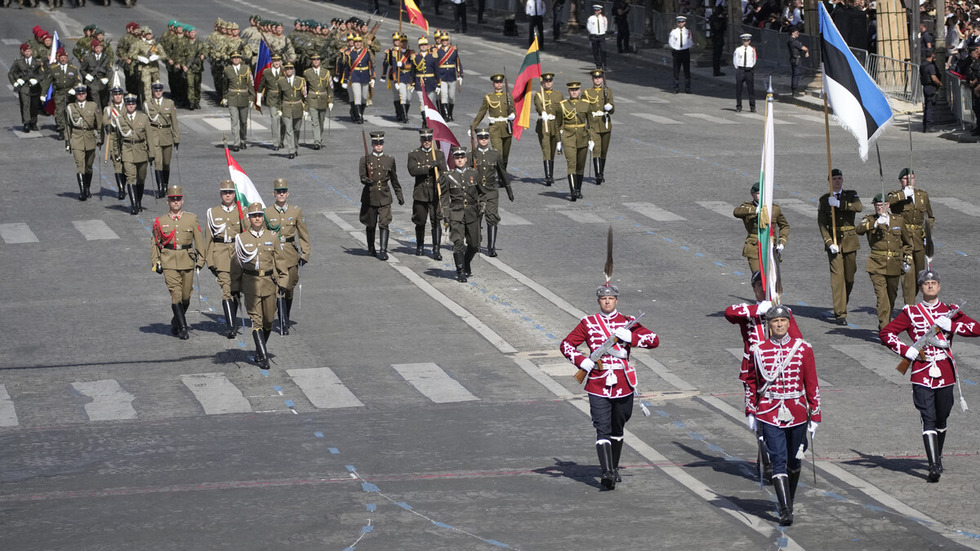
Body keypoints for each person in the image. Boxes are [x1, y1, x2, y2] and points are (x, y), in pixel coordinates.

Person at [880, 269, 980, 483]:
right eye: (926, 283)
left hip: (944, 371)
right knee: (928, 418)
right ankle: (933, 465)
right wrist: (906, 351)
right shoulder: (911, 313)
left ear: (939, 286)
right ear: (920, 288)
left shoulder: (949, 311)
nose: (931, 286)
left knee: (942, 417)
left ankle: (938, 455)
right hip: (921, 371)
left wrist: (952, 325)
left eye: (934, 282)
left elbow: (976, 329)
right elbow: (886, 333)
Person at [560, 283, 659, 490]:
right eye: (604, 299)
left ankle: (613, 468)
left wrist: (632, 337)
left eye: (611, 298)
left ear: (616, 300)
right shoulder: (588, 323)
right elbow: (566, 344)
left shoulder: (628, 322)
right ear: (599, 301)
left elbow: (654, 340)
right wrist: (581, 361)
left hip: (623, 383)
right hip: (597, 382)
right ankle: (606, 472)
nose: (607, 301)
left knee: (618, 427)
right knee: (601, 428)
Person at [743, 305, 821, 526]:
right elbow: (751, 382)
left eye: (783, 321)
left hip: (796, 411)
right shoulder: (757, 350)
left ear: (788, 323)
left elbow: (812, 383)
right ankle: (785, 509)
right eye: (775, 322)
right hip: (769, 411)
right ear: (769, 325)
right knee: (778, 459)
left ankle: (790, 498)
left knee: (794, 460)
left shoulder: (803, 348)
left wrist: (815, 415)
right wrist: (751, 410)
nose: (779, 325)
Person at [725, 271, 803, 481]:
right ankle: (766, 458)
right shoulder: (748, 311)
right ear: (753, 289)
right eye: (758, 285)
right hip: (753, 372)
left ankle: (776, 458)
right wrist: (756, 309)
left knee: (778, 415)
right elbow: (729, 312)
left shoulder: (783, 313)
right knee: (758, 417)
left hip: (778, 372)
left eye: (766, 285)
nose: (762, 289)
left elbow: (798, 341)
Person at [151, 185, 206, 341]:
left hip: (187, 259)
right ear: (168, 201)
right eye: (172, 199)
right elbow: (155, 242)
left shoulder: (191, 219)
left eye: (178, 199)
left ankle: (175, 321)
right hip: (168, 260)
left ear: (182, 200)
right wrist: (156, 261)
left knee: (186, 296)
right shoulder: (161, 221)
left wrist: (201, 259)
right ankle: (183, 328)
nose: (175, 202)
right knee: (176, 294)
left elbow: (198, 240)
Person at [236, 203, 286, 369]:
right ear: (249, 218)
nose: (257, 218)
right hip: (250, 284)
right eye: (253, 215)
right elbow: (235, 266)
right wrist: (234, 288)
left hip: (269, 285)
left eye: (259, 215)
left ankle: (259, 349)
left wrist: (284, 283)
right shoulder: (241, 239)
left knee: (269, 320)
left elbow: (280, 262)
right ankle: (263, 357)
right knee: (256, 321)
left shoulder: (272, 237)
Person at [856, 193, 913, 330]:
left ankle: (886, 321)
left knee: (891, 296)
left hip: (894, 263)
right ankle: (885, 328)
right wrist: (875, 223)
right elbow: (859, 229)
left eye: (882, 205)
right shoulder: (870, 219)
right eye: (877, 206)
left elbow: (908, 242)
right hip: (876, 264)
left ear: (888, 205)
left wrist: (908, 258)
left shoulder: (898, 220)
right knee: (882, 297)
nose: (879, 208)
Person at [264, 179, 310, 335]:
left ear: (288, 193)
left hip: (290, 254)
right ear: (274, 194)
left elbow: (303, 233)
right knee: (279, 289)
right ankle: (283, 322)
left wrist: (305, 253)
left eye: (283, 191)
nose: (281, 194)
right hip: (274, 255)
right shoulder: (267, 212)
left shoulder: (295, 211)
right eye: (278, 191)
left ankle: (286, 316)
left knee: (289, 288)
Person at [818, 168, 863, 325]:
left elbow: (859, 207)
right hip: (835, 242)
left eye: (839, 178)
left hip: (850, 241)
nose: (837, 181)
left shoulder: (851, 195)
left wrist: (840, 204)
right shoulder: (824, 200)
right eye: (834, 178)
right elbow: (822, 223)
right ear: (830, 181)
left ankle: (843, 300)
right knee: (837, 280)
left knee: (849, 278)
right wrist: (829, 243)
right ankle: (840, 314)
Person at [887, 168, 934, 305]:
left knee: (919, 277)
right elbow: (888, 201)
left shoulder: (922, 196)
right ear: (900, 181)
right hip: (903, 241)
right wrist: (903, 194)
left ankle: (911, 301)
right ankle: (910, 307)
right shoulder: (896, 195)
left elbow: (930, 216)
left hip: (919, 241)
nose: (909, 181)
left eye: (911, 178)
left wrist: (927, 232)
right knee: (908, 275)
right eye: (906, 179)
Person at [205, 180, 245, 339]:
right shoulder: (212, 212)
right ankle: (231, 326)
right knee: (226, 291)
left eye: (230, 192)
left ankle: (233, 319)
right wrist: (209, 260)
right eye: (224, 192)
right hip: (220, 254)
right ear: (220, 194)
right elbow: (208, 238)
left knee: (235, 291)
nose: (228, 195)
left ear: (234, 194)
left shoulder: (242, 211)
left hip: (238, 255)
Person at [440, 147, 485, 282]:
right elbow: (444, 197)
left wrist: (482, 205)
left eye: (462, 157)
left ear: (466, 159)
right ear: (454, 160)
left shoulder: (474, 173)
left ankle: (466, 262)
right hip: (456, 213)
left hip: (472, 212)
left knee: (474, 244)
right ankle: (460, 272)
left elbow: (483, 192)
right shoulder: (449, 176)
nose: (460, 160)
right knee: (458, 242)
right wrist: (446, 214)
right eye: (457, 158)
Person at [359, 131, 404, 260]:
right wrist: (366, 180)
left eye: (380, 143)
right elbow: (362, 176)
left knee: (384, 222)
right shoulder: (365, 159)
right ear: (372, 144)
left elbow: (394, 178)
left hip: (384, 196)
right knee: (371, 224)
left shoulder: (389, 160)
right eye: (375, 143)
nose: (378, 146)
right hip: (370, 195)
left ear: (383, 144)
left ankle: (383, 250)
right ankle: (371, 247)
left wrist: (399, 194)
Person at [473, 127, 514, 257]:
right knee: (476, 218)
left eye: (486, 138)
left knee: (492, 217)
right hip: (476, 191)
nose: (483, 140)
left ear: (489, 139)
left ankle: (491, 247)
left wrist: (509, 190)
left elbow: (503, 173)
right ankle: (476, 243)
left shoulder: (495, 154)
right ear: (477, 139)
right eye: (481, 138)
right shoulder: (471, 154)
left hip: (491, 190)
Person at [407, 129, 447, 260]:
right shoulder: (414, 154)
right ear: (421, 140)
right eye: (424, 140)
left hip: (435, 193)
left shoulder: (439, 154)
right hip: (421, 193)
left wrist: (441, 177)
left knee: (436, 221)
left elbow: (445, 172)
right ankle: (420, 246)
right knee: (420, 221)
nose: (427, 142)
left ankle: (436, 249)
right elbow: (412, 170)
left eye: (429, 140)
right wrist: (428, 167)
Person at [733, 182, 790, 273]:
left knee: (773, 281)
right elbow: (736, 212)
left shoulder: (774, 209)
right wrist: (754, 210)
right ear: (753, 194)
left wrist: (782, 241)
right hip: (754, 247)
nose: (762, 195)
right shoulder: (748, 207)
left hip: (771, 246)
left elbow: (784, 226)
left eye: (764, 193)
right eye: (759, 193)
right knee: (758, 278)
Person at [116, 93, 156, 215]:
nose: (131, 106)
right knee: (130, 177)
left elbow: (149, 137)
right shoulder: (120, 119)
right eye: (128, 104)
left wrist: (152, 153)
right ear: (126, 105)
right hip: (127, 150)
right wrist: (116, 153)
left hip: (141, 150)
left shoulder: (143, 118)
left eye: (133, 104)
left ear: (136, 104)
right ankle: (134, 204)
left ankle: (138, 201)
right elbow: (117, 139)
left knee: (141, 178)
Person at [65, 84, 103, 202]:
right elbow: (67, 125)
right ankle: (82, 192)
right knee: (80, 165)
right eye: (79, 94)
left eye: (83, 93)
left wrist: (100, 138)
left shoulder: (93, 106)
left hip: (90, 137)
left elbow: (99, 122)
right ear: (76, 95)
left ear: (86, 94)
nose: (81, 95)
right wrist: (67, 141)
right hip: (77, 138)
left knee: (89, 166)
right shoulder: (71, 108)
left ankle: (87, 188)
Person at [556, 80, 591, 201]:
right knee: (571, 164)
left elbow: (590, 123)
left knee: (580, 166)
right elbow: (558, 124)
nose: (574, 92)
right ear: (568, 91)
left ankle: (578, 189)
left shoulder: (586, 104)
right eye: (572, 90)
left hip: (582, 137)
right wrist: (559, 141)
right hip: (568, 137)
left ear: (579, 91)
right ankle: (573, 191)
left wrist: (591, 139)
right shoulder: (562, 105)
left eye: (576, 90)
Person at [471, 74, 516, 167]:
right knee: (498, 153)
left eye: (500, 82)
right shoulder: (489, 97)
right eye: (497, 82)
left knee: (505, 154)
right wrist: (473, 127)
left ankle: (503, 172)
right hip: (494, 128)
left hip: (507, 128)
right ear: (493, 84)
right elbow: (481, 113)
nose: (499, 84)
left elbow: (513, 110)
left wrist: (513, 115)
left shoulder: (508, 96)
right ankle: (501, 175)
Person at [145, 81, 180, 199]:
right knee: (158, 162)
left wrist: (176, 137)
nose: (158, 92)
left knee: (166, 163)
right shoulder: (147, 104)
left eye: (160, 90)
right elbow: (145, 123)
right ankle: (160, 188)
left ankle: (165, 184)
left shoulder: (169, 103)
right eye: (156, 90)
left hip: (166, 135)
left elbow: (174, 121)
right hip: (154, 135)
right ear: (153, 91)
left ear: (163, 91)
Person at [583, 69, 614, 185]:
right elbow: (583, 110)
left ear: (602, 79)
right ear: (592, 79)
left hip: (605, 124)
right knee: (596, 150)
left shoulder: (608, 91)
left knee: (603, 151)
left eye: (599, 78)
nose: (597, 79)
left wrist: (609, 108)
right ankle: (598, 175)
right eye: (595, 78)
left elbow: (613, 109)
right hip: (593, 125)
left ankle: (602, 171)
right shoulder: (586, 93)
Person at [42, 48, 79, 140]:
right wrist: (43, 94)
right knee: (59, 111)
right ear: (58, 59)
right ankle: (61, 130)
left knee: (70, 111)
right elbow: (47, 82)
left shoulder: (73, 69)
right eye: (61, 58)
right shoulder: (54, 70)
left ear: (67, 58)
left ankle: (71, 129)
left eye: (64, 58)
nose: (63, 59)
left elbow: (77, 81)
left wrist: (74, 89)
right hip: (59, 93)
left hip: (70, 94)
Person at [534, 72, 563, 186]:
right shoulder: (538, 94)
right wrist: (542, 112)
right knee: (546, 150)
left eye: (550, 81)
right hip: (543, 125)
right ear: (542, 82)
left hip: (555, 125)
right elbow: (538, 105)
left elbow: (562, 111)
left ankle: (550, 172)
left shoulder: (558, 95)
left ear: (553, 82)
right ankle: (548, 176)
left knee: (552, 152)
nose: (548, 83)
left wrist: (561, 127)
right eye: (546, 81)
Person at [8, 43, 45, 133]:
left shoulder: (37, 62)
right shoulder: (18, 62)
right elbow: (11, 73)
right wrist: (15, 83)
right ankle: (26, 123)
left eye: (29, 51)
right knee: (25, 105)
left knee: (34, 106)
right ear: (22, 52)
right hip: (24, 87)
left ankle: (33, 122)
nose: (28, 53)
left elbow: (42, 74)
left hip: (35, 87)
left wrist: (36, 80)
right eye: (26, 51)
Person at [223, 51, 254, 152]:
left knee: (243, 122)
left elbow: (250, 84)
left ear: (241, 59)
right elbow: (225, 85)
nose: (236, 59)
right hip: (232, 97)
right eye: (234, 58)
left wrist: (252, 98)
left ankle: (243, 140)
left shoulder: (246, 69)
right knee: (234, 121)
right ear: (231, 59)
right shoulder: (227, 70)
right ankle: (236, 143)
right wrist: (224, 97)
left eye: (238, 58)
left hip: (244, 97)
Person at [276, 63, 306, 160]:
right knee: (288, 129)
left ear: (293, 70)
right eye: (287, 69)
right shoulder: (281, 81)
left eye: (290, 69)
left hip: (297, 106)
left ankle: (295, 147)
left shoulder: (301, 80)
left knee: (296, 129)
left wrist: (306, 109)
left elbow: (305, 95)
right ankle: (291, 150)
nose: (289, 70)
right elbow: (279, 96)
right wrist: (279, 108)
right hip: (286, 106)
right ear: (284, 71)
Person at [303, 53, 333, 150]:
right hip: (312, 98)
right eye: (314, 60)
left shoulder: (326, 72)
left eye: (317, 59)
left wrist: (331, 100)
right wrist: (305, 105)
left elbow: (330, 88)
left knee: (321, 121)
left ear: (320, 61)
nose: (316, 61)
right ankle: (317, 141)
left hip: (323, 99)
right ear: (312, 61)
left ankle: (319, 137)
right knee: (314, 121)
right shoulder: (307, 73)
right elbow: (304, 89)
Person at [103, 87, 128, 200]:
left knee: (127, 165)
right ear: (112, 96)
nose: (118, 96)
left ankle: (125, 183)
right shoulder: (108, 109)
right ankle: (121, 189)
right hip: (114, 139)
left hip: (126, 139)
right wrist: (106, 125)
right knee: (117, 164)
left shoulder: (128, 107)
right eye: (115, 95)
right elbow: (104, 120)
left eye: (120, 94)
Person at [382, 32, 413, 123]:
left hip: (408, 76)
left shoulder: (410, 52)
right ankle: (401, 114)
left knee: (408, 98)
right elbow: (387, 63)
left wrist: (403, 65)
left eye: (404, 42)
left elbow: (413, 65)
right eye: (400, 41)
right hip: (397, 76)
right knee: (398, 95)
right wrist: (384, 76)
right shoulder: (393, 52)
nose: (402, 43)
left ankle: (403, 113)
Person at [132, 27, 168, 106]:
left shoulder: (156, 44)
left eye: (150, 34)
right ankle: (148, 104)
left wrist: (157, 57)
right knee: (146, 86)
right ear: (145, 35)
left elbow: (164, 55)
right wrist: (140, 58)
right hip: (145, 69)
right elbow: (133, 55)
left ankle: (157, 103)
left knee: (157, 86)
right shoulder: (140, 44)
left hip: (154, 68)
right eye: (147, 34)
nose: (148, 36)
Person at [342, 36, 373, 124]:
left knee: (364, 98)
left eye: (359, 42)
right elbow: (347, 68)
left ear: (362, 43)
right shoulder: (350, 54)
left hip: (365, 76)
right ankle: (359, 116)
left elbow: (371, 64)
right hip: (355, 77)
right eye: (356, 42)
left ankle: (360, 113)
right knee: (357, 96)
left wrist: (372, 77)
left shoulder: (366, 52)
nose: (358, 43)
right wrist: (345, 80)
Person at [259, 54, 285, 150]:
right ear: (272, 62)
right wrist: (258, 98)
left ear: (281, 61)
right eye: (274, 60)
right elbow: (261, 85)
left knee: (283, 122)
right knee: (275, 120)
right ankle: (276, 143)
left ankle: (281, 140)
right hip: (272, 98)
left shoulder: (285, 71)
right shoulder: (267, 72)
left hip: (283, 99)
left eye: (278, 60)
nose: (276, 62)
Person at [434, 32, 462, 121]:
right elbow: (435, 65)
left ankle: (450, 113)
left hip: (451, 76)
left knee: (452, 97)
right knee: (444, 96)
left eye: (446, 40)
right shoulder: (437, 51)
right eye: (443, 40)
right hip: (442, 76)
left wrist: (460, 75)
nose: (445, 42)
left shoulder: (453, 51)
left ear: (448, 41)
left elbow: (458, 63)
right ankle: (445, 115)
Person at [79, 39, 112, 112]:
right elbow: (82, 69)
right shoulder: (88, 58)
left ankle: (104, 119)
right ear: (93, 48)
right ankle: (99, 120)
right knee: (96, 104)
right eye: (96, 48)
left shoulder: (106, 58)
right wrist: (87, 75)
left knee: (104, 103)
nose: (98, 49)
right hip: (93, 83)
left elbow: (109, 70)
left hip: (103, 83)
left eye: (99, 48)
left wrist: (107, 78)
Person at [412, 37, 438, 127]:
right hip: (420, 83)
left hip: (430, 83)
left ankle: (429, 121)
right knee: (422, 103)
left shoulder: (432, 56)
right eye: (422, 45)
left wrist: (438, 84)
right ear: (419, 46)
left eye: (425, 45)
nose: (423, 46)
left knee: (430, 103)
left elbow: (436, 70)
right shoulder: (415, 57)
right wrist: (412, 83)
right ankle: (425, 121)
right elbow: (412, 71)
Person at [668, 16, 693, 93]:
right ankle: (676, 87)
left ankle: (687, 88)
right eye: (679, 22)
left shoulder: (688, 32)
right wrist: (675, 48)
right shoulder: (674, 32)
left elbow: (690, 41)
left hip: (685, 51)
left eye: (682, 22)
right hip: (677, 52)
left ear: (684, 23)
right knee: (676, 70)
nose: (680, 24)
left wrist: (687, 47)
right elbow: (671, 42)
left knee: (687, 70)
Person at [733, 33, 757, 112]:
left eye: (747, 41)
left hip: (749, 70)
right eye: (744, 41)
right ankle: (739, 106)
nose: (746, 42)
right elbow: (735, 60)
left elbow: (754, 60)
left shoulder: (752, 49)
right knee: (739, 89)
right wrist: (739, 68)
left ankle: (752, 106)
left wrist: (750, 66)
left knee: (751, 89)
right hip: (741, 70)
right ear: (742, 41)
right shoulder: (738, 49)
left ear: (749, 41)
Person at [920, 49, 942, 132]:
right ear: (932, 55)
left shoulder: (923, 65)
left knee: (927, 106)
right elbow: (934, 78)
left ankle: (925, 124)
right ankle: (929, 126)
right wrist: (940, 83)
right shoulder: (930, 66)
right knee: (930, 107)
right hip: (931, 87)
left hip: (925, 87)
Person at [787, 26, 809, 96]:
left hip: (793, 59)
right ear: (793, 33)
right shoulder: (795, 42)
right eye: (797, 32)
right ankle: (795, 90)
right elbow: (804, 48)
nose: (798, 33)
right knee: (797, 75)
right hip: (797, 59)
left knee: (795, 75)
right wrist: (807, 51)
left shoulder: (790, 41)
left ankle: (794, 89)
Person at [586, 4, 609, 70]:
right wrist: (593, 33)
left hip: (601, 36)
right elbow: (589, 27)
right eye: (595, 10)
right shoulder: (591, 18)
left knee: (603, 50)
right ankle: (598, 65)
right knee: (595, 51)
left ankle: (604, 64)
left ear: (600, 11)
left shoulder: (603, 18)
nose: (597, 11)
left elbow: (605, 26)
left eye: (598, 10)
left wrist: (603, 32)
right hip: (594, 36)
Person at [708, 6, 727, 76]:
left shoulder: (714, 17)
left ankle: (716, 70)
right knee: (717, 55)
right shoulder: (715, 18)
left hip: (717, 37)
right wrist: (722, 20)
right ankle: (716, 71)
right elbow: (717, 27)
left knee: (717, 55)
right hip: (717, 38)